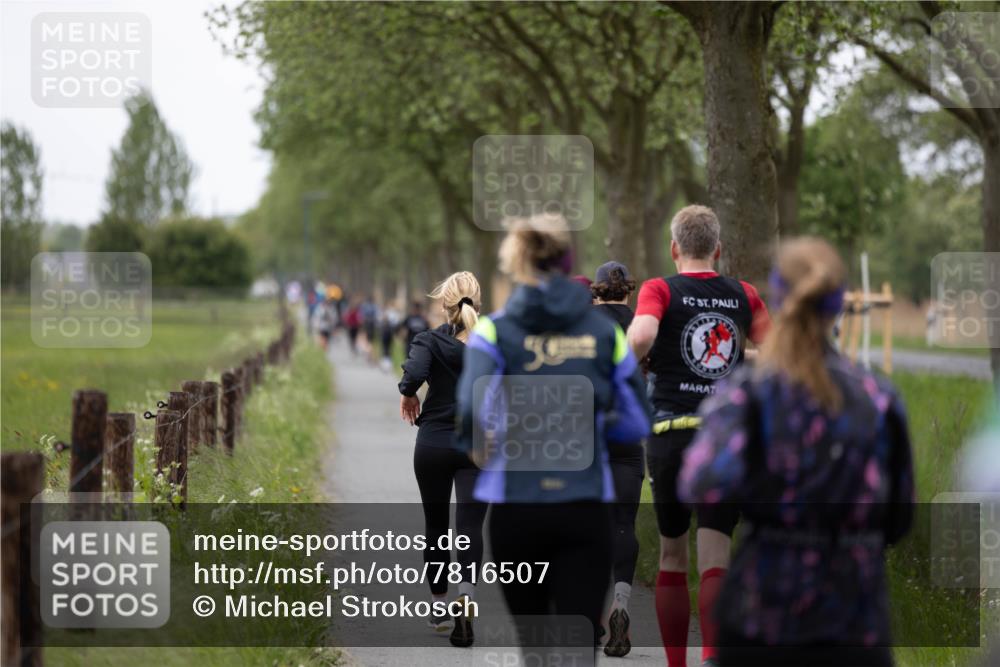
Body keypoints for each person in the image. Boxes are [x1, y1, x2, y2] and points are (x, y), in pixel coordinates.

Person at [679, 237, 915, 667]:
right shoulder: (878, 397)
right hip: (855, 615)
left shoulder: (749, 391)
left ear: (778, 297)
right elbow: (901, 516)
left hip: (762, 609)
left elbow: (702, 482)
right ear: (840, 303)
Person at [457, 214, 652, 658]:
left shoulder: (492, 331)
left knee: (535, 648)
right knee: (580, 647)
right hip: (584, 506)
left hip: (516, 507)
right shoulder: (604, 332)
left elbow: (471, 416)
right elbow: (637, 417)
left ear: (518, 261)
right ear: (569, 260)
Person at [627, 205, 770, 667]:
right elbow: (781, 352)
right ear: (718, 249)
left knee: (672, 554)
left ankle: (676, 664)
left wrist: (632, 367)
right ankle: (712, 656)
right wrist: (742, 363)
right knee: (715, 557)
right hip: (725, 437)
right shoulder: (743, 294)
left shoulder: (659, 289)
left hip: (671, 433)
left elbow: (642, 336)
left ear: (674, 249)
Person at [398, 271, 488, 648]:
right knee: (469, 527)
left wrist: (409, 394)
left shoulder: (428, 340)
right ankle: (465, 597)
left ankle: (438, 605)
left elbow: (412, 378)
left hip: (433, 442)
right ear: (478, 304)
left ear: (443, 305)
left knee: (435, 526)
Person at [591, 260, 642, 658]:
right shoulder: (642, 326)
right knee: (623, 523)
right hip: (627, 436)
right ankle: (621, 605)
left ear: (596, 291)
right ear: (629, 290)